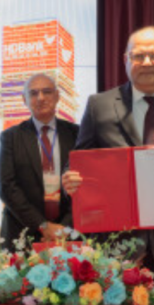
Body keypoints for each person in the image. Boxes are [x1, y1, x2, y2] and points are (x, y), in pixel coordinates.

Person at [63, 26, 154, 267]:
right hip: (119, 242)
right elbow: (77, 163)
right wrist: (69, 179)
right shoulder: (99, 105)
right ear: (125, 60)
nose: (147, 62)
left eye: (153, 55)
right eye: (139, 56)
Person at [0, 73, 79, 251]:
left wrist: (65, 227)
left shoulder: (77, 134)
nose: (40, 98)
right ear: (24, 99)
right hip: (22, 233)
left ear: (57, 96)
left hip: (68, 234)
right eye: (33, 93)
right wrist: (43, 225)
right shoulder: (11, 137)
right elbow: (6, 187)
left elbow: (86, 186)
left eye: (47, 91)